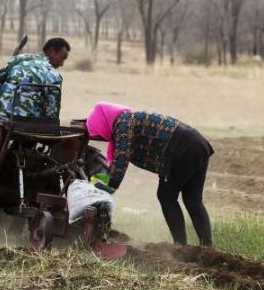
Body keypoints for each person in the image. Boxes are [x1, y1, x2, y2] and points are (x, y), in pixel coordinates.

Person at [85, 101, 214, 247]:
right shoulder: (128, 119)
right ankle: (207, 247)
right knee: (193, 200)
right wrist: (111, 179)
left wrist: (111, 186)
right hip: (197, 143)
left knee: (166, 196)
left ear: (103, 123)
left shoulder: (123, 124)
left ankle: (180, 245)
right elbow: (120, 158)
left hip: (182, 149)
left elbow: (122, 156)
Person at [0, 38, 70, 120]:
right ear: (51, 51)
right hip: (26, 123)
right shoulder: (53, 76)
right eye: (62, 58)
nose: (62, 64)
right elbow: (52, 115)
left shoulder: (19, 59)